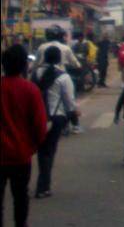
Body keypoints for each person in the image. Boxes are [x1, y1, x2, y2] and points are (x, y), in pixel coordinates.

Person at [1, 44, 47, 227]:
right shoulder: (30, 90)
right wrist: (32, 147)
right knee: (20, 197)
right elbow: (40, 126)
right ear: (23, 65)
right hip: (21, 155)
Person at [34, 46, 78, 198]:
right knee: (49, 151)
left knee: (41, 151)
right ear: (59, 59)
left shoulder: (35, 73)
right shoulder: (63, 77)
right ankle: (43, 186)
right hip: (56, 118)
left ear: (44, 57)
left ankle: (43, 184)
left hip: (37, 118)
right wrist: (74, 117)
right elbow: (69, 102)